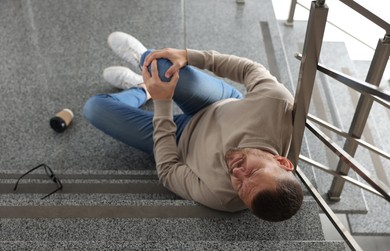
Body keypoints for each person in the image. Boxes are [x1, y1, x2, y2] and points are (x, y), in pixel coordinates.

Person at [83, 32, 304, 222]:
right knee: (161, 64)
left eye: (240, 187)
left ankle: (143, 90)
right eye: (253, 171)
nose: (236, 172)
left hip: (180, 139)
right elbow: (249, 69)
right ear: (282, 162)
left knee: (94, 108)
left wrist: (162, 102)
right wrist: (190, 56)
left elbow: (168, 173)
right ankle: (145, 66)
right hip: (217, 104)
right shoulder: (277, 105)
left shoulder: (223, 198)